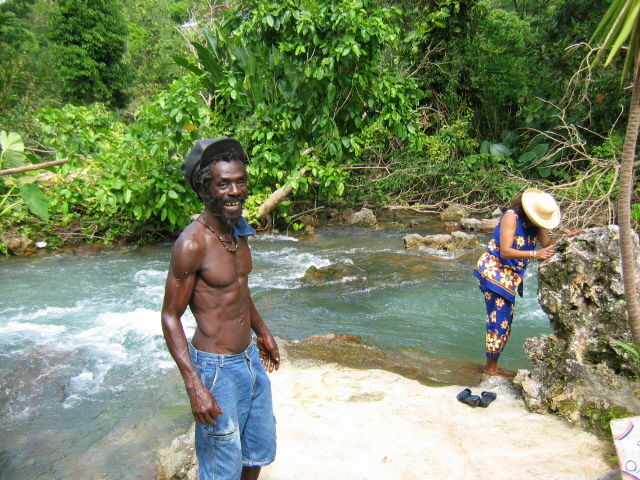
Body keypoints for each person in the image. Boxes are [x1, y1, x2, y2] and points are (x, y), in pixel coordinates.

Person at [161, 137, 279, 480]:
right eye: (223, 184)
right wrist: (194, 386)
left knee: (257, 450)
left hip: (249, 359)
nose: (235, 191)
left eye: (240, 181)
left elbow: (238, 290)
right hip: (216, 369)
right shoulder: (192, 243)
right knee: (221, 466)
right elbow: (170, 316)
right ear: (204, 190)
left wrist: (263, 332)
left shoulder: (238, 232)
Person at [473, 188, 561, 379]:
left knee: (504, 320)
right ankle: (491, 370)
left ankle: (493, 367)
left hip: (510, 276)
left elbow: (547, 244)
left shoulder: (536, 224)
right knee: (499, 319)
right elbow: (505, 251)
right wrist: (535, 254)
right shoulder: (511, 217)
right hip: (494, 272)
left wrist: (567, 239)